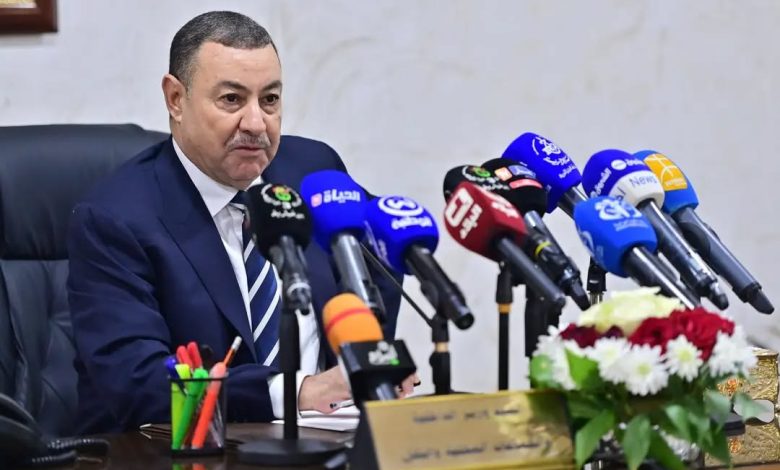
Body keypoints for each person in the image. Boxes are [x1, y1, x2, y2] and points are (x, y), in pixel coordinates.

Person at [67, 11, 410, 434]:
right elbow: (136, 381)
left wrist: (363, 365)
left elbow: (378, 256)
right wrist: (298, 391)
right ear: (176, 99)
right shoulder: (115, 218)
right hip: (175, 451)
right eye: (232, 99)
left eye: (270, 100)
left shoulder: (312, 171)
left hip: (325, 440)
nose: (256, 124)